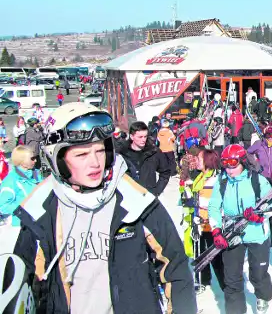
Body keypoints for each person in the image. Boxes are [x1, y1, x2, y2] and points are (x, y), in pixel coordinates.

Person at [13, 103, 197, 314]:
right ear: (57, 159)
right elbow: (22, 286)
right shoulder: (40, 211)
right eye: (81, 155)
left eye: (101, 151)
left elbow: (176, 266)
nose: (95, 163)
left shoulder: (135, 201)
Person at [207, 144, 272, 314]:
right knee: (231, 278)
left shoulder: (257, 180)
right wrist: (216, 229)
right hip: (232, 231)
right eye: (226, 167)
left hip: (256, 231)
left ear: (243, 162)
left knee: (257, 274)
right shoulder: (222, 182)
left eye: (233, 166)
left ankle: (263, 296)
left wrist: (259, 216)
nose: (229, 171)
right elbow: (214, 206)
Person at [187, 149, 225, 291]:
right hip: (200, 224)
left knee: (215, 258)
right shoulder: (201, 177)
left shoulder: (214, 180)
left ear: (208, 162)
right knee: (201, 253)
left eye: (199, 158)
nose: (196, 160)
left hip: (210, 225)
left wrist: (194, 202)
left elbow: (212, 203)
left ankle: (227, 287)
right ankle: (203, 281)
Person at [116, 121, 172, 196]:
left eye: (145, 136)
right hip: (127, 197)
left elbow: (165, 172)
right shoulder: (122, 153)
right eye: (140, 137)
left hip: (148, 196)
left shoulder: (154, 152)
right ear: (132, 137)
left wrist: (156, 191)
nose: (143, 140)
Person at [0, 146, 42, 226]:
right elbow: (3, 206)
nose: (35, 160)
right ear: (22, 161)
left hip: (41, 220)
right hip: (23, 226)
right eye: (32, 158)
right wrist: (24, 207)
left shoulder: (37, 173)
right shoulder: (11, 180)